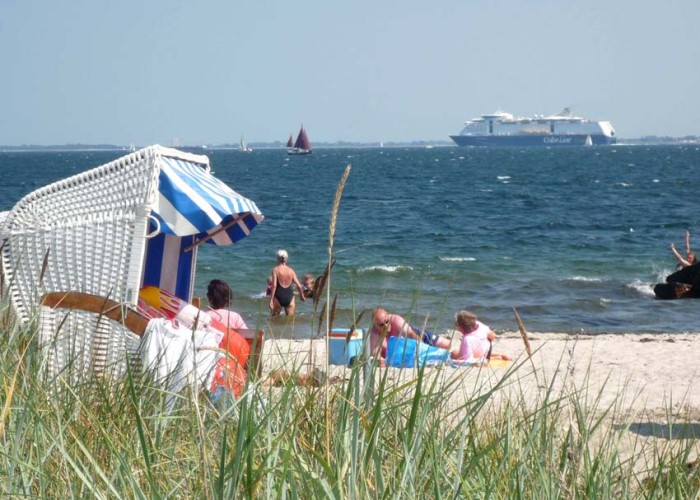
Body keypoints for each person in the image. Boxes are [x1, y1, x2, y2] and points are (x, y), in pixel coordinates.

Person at [369, 307, 451, 359]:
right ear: (375, 325)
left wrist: (424, 349)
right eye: (381, 325)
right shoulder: (374, 336)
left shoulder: (396, 321)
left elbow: (412, 335)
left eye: (387, 322)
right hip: (405, 352)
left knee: (448, 346)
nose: (386, 326)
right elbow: (376, 356)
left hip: (418, 337)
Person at [269, 249, 306, 316]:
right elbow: (299, 286)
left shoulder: (275, 270)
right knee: (290, 321)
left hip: (278, 296)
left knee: (274, 320)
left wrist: (271, 300)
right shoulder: (291, 270)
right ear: (286, 258)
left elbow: (274, 285)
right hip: (290, 297)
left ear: (278, 258)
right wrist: (302, 295)